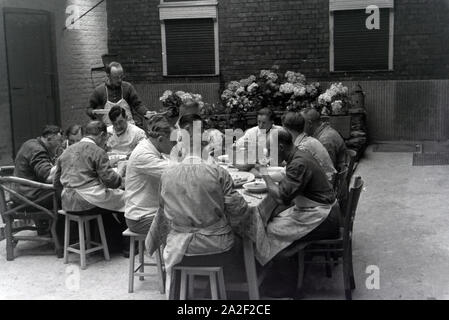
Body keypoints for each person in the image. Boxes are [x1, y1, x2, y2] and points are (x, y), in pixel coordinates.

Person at [146, 115, 249, 297]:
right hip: (217, 248)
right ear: (206, 147)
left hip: (180, 250)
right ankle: (233, 289)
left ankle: (191, 290)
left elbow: (163, 210)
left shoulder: (167, 174)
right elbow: (239, 209)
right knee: (245, 241)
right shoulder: (218, 172)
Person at [254, 129, 340, 297]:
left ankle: (288, 285)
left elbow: (281, 198)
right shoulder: (299, 154)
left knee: (269, 230)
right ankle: (279, 268)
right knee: (273, 219)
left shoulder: (299, 162)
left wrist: (264, 173)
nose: (269, 155)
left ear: (280, 147)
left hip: (325, 217)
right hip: (318, 209)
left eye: (270, 150)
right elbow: (287, 176)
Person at [54, 121, 127, 253]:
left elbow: (56, 182)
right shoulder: (97, 151)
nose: (106, 142)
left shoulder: (66, 151)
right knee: (128, 198)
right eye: (106, 138)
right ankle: (128, 246)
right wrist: (121, 175)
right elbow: (111, 181)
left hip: (67, 201)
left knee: (113, 199)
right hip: (87, 200)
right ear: (102, 135)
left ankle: (111, 242)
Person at [124, 115, 177, 235]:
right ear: (160, 139)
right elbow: (175, 171)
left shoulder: (152, 148)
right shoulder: (143, 154)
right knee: (189, 225)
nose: (175, 145)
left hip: (152, 212)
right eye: (173, 142)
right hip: (142, 218)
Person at [13, 125, 63, 235]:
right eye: (59, 140)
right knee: (65, 194)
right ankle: (64, 236)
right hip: (28, 198)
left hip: (22, 194)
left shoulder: (31, 143)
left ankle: (51, 231)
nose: (61, 144)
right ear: (49, 138)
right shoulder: (37, 149)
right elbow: (48, 177)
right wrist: (64, 159)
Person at [86, 61, 154, 128]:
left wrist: (146, 113)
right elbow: (89, 108)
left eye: (121, 77)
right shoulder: (99, 91)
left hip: (129, 127)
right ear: (108, 76)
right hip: (110, 130)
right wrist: (92, 112)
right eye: (116, 77)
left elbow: (138, 105)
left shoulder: (128, 88)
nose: (119, 80)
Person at [282, 112, 336, 181]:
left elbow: (288, 173)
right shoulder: (310, 140)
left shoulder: (303, 147)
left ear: (287, 130)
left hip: (324, 186)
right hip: (327, 182)